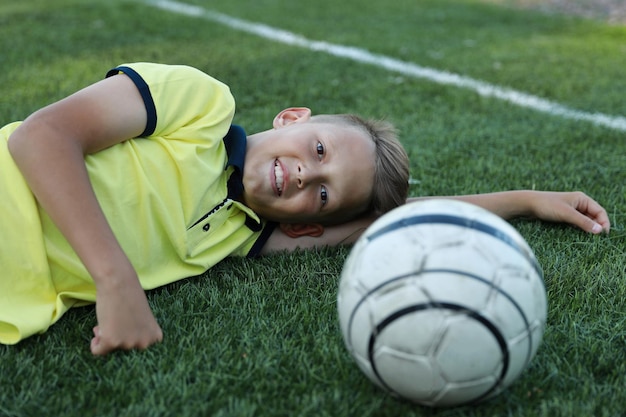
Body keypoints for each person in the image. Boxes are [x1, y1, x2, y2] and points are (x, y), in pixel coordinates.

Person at [0, 63, 610, 356]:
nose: (304, 172)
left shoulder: (240, 237)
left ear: (308, 224)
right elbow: (41, 138)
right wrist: (115, 277)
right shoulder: (199, 106)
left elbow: (396, 220)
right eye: (318, 149)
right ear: (293, 116)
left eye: (321, 191)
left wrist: (527, 202)